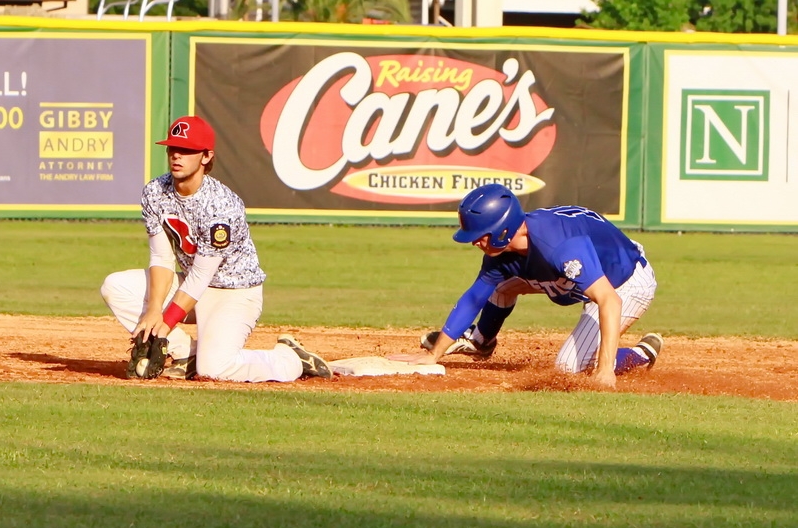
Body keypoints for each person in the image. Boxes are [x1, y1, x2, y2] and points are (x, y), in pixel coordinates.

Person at [100, 115, 332, 382]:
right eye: (173, 148)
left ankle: (290, 359)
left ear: (206, 156)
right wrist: (154, 310)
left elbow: (202, 276)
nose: (177, 155)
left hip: (233, 293)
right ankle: (186, 354)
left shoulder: (222, 205)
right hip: (190, 285)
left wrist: (165, 324)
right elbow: (161, 257)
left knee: (214, 369)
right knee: (115, 286)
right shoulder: (155, 192)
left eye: (187, 150)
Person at [389, 183, 662, 388]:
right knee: (501, 284)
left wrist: (605, 371)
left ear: (503, 230)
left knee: (568, 366)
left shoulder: (559, 247)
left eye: (481, 235)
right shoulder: (505, 252)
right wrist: (434, 354)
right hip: (581, 274)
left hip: (624, 282)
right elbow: (474, 298)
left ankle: (639, 355)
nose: (475, 242)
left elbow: (609, 300)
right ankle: (481, 341)